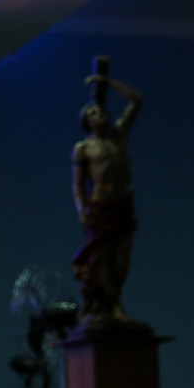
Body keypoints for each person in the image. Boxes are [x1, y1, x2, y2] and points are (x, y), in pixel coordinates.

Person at [71, 74, 143, 325]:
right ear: (86, 122)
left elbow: (137, 102)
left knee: (122, 256)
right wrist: (82, 210)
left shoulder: (119, 136)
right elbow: (78, 183)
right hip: (100, 206)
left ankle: (114, 298)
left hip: (123, 205)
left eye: (101, 111)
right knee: (100, 257)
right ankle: (110, 304)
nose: (98, 114)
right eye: (92, 113)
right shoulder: (84, 148)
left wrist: (109, 83)